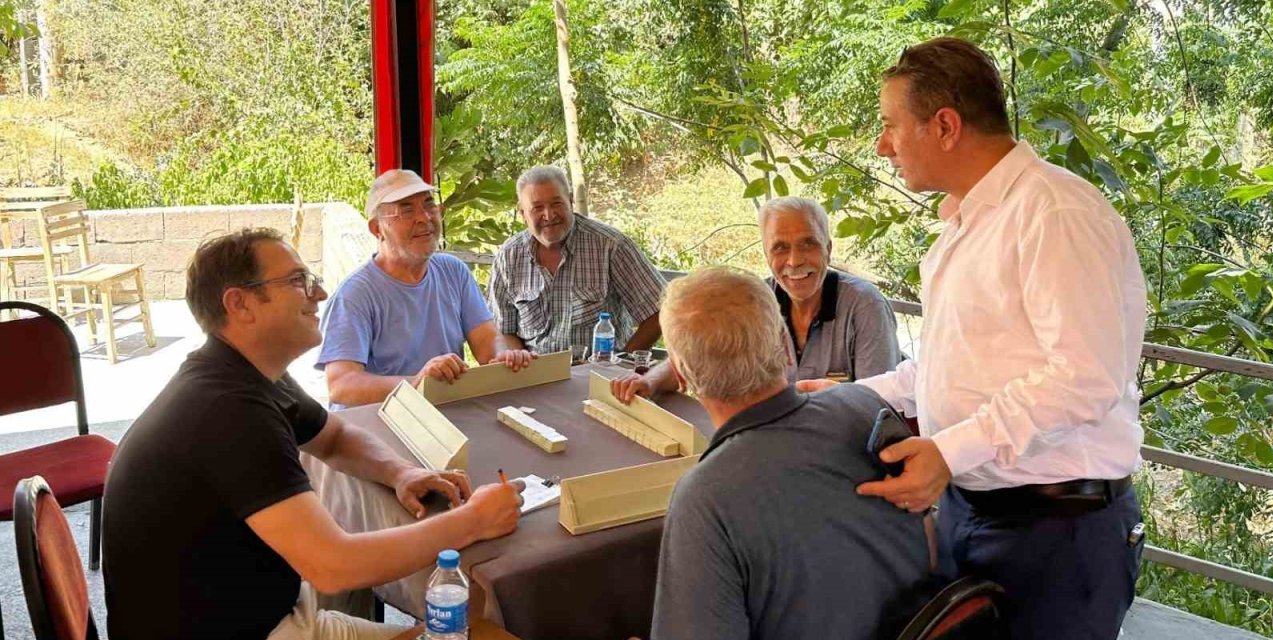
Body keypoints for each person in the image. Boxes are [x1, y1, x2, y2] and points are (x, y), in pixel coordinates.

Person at [806, 37, 1147, 639]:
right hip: (977, 512)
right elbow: (943, 366)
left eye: (890, 126)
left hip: (1057, 529)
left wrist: (950, 450)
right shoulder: (969, 223)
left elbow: (1084, 378)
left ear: (944, 125)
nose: (883, 146)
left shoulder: (1055, 214)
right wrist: (844, 399)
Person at [104, 228, 524, 639]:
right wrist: (472, 521)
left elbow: (335, 438)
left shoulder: (247, 375)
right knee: (483, 629)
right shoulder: (228, 412)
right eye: (298, 282)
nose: (319, 294)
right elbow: (333, 565)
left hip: (274, 614)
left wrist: (399, 473)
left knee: (470, 625)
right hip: (261, 630)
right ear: (240, 304)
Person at [649, 266, 931, 640]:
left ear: (682, 377)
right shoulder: (865, 406)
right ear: (784, 345)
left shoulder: (705, 496)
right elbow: (925, 539)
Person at [612, 196, 899, 403]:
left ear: (828, 249)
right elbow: (694, 356)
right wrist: (648, 381)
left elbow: (876, 405)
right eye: (780, 248)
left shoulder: (865, 305)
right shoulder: (753, 300)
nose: (794, 260)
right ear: (766, 255)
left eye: (808, 244)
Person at [318, 169, 534, 409]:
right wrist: (417, 383)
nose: (424, 218)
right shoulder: (355, 294)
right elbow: (341, 385)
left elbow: (487, 342)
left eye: (429, 205)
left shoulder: (453, 271)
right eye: (406, 209)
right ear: (377, 228)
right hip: (377, 425)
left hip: (439, 414)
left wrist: (503, 356)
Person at [489, 165, 666, 355]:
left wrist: (623, 363)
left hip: (598, 374)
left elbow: (660, 310)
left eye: (556, 203)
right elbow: (502, 328)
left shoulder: (610, 246)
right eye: (537, 207)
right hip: (535, 376)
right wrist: (520, 361)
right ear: (523, 213)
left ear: (571, 201)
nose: (548, 215)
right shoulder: (509, 256)